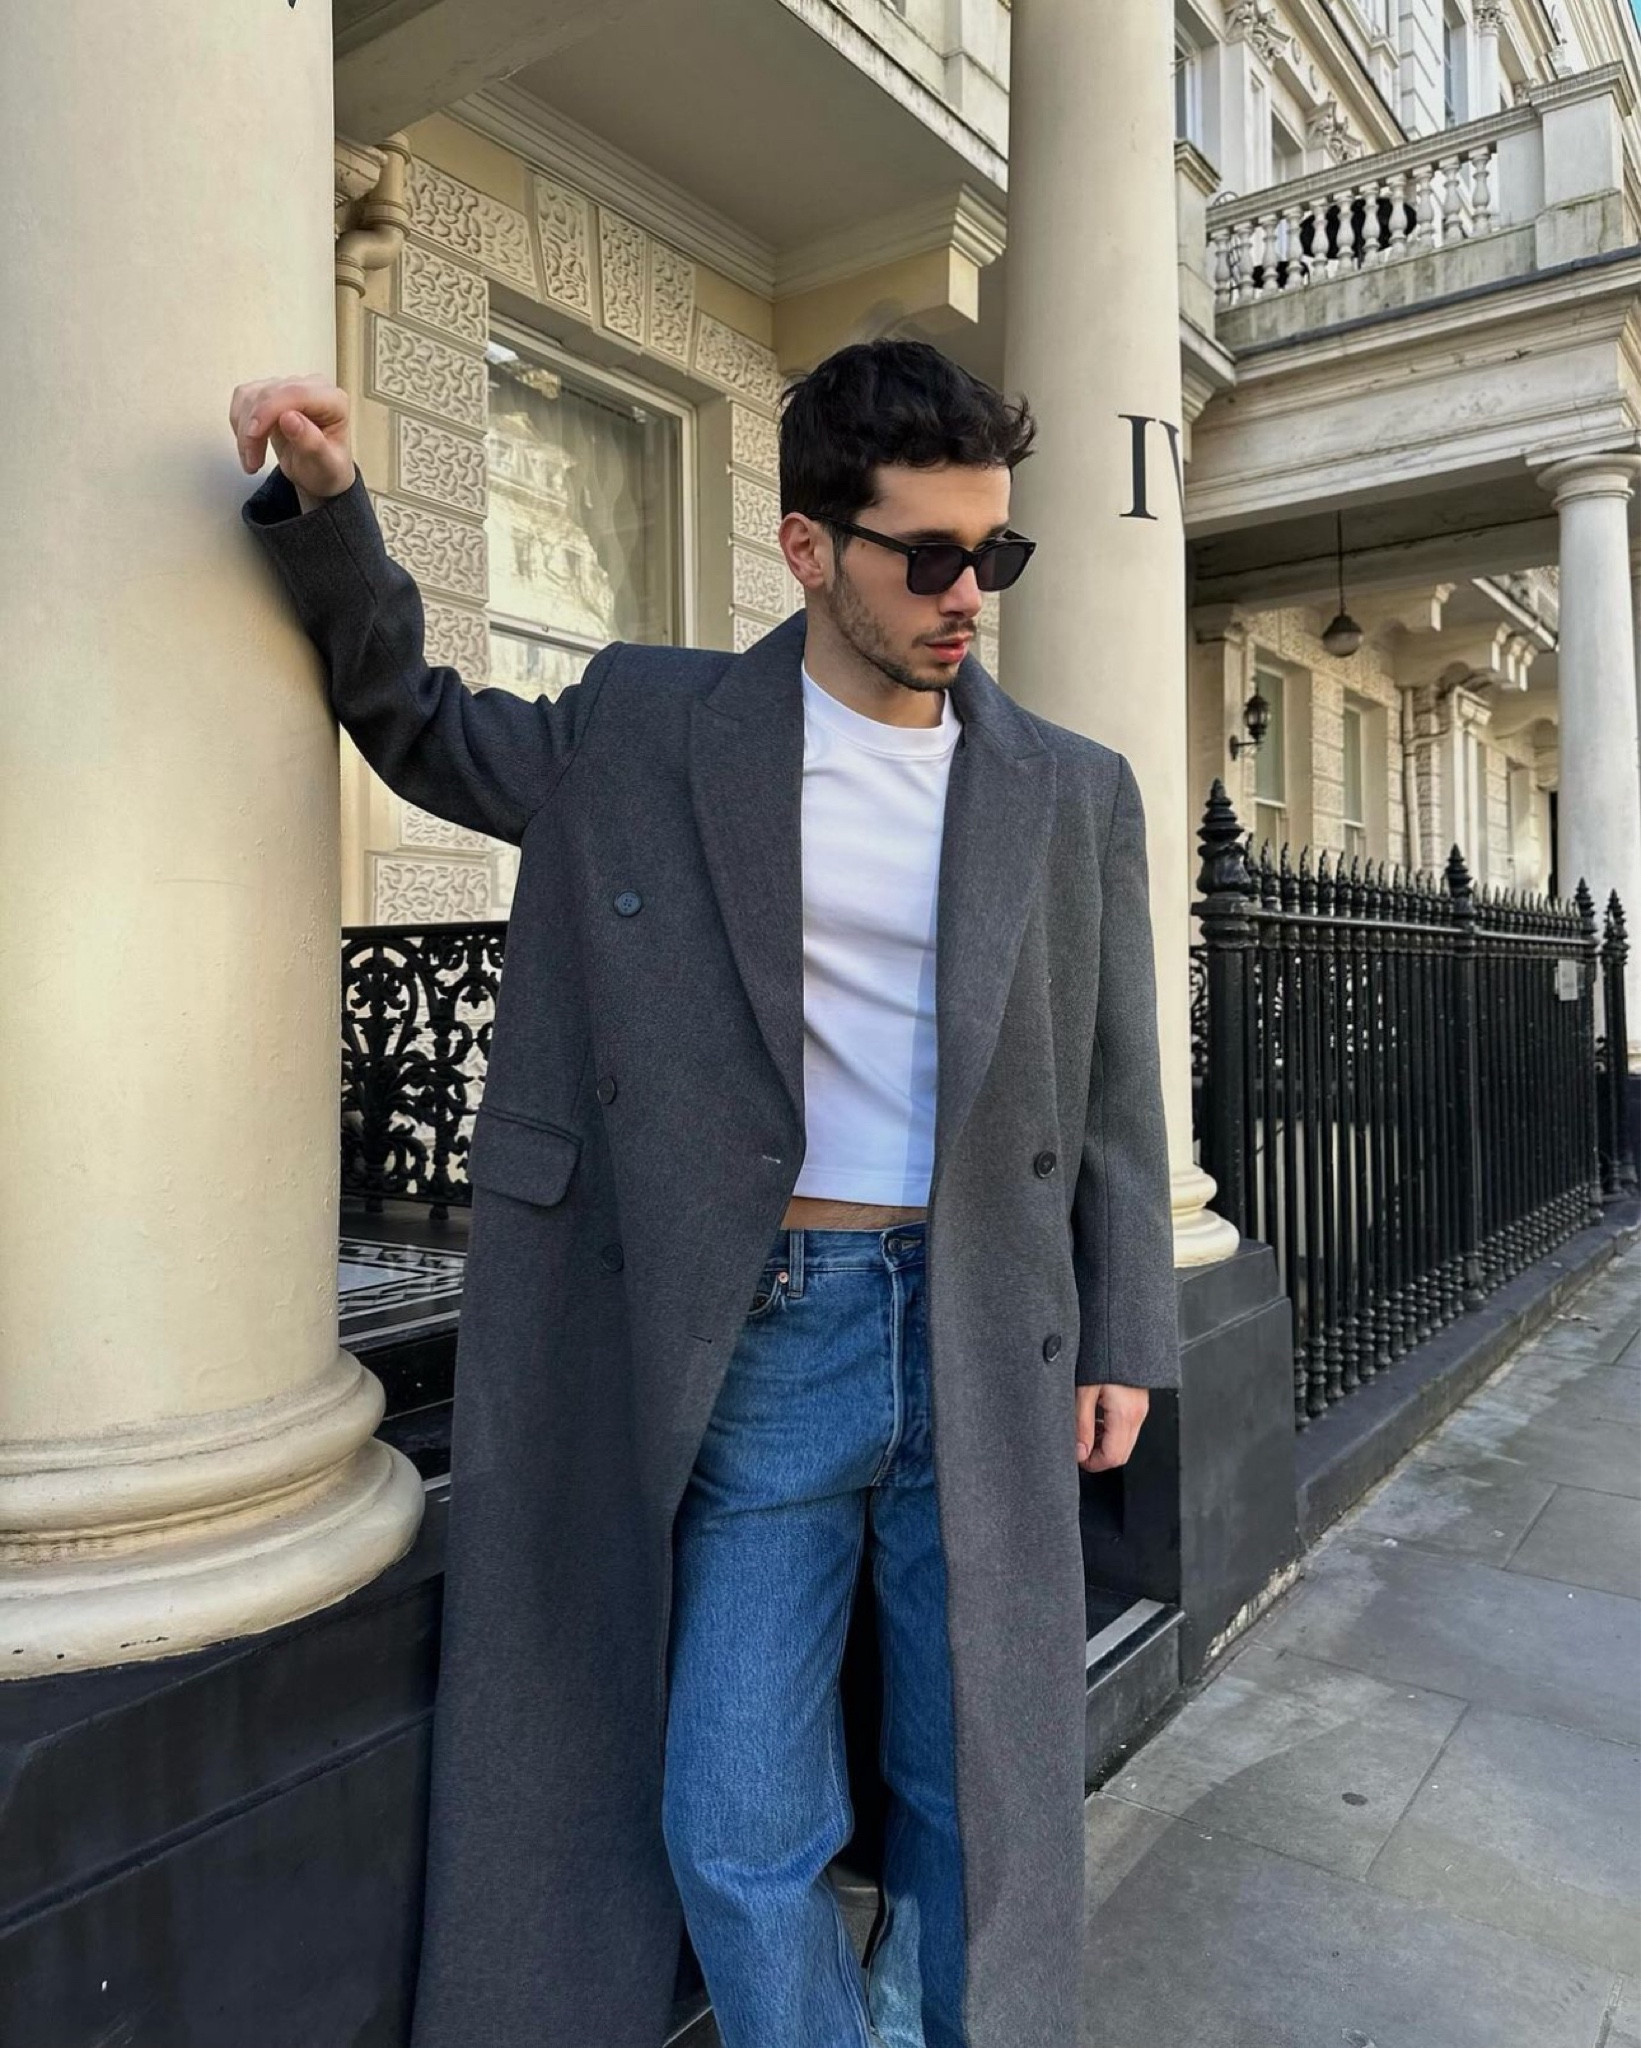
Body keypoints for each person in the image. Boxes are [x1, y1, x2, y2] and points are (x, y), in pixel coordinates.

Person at [230, 339, 1179, 2048]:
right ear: (809, 548)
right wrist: (327, 508)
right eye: (930, 557)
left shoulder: (1069, 787)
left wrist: (1126, 1327)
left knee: (976, 1785)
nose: (970, 596)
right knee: (735, 1818)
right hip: (767, 1334)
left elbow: (1115, 1085)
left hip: (986, 1328)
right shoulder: (651, 727)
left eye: (996, 552)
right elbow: (417, 725)